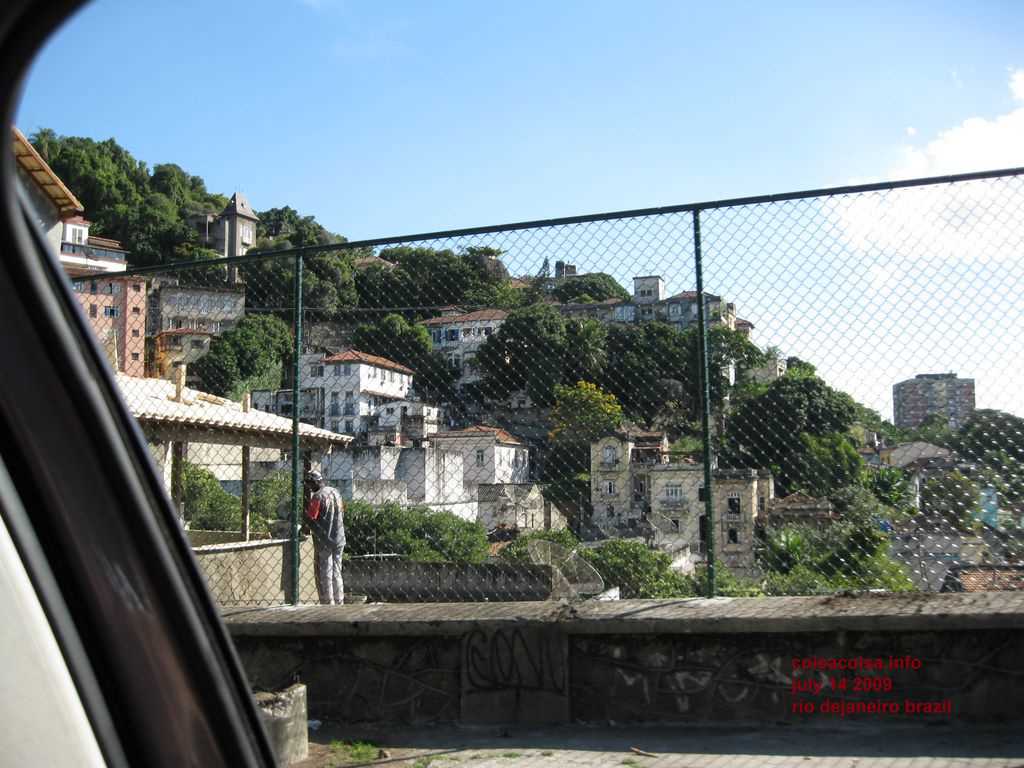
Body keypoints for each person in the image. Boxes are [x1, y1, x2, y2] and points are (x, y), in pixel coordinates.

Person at [303, 469, 345, 605]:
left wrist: (304, 520)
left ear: (315, 482)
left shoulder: (317, 497)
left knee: (326, 572)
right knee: (337, 571)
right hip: (339, 537)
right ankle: (340, 601)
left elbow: (311, 518)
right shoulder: (335, 492)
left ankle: (329, 603)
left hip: (324, 540)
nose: (309, 487)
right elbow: (342, 512)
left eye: (309, 484)